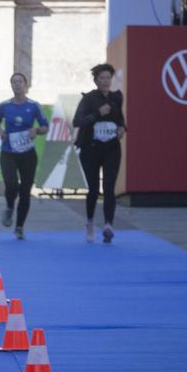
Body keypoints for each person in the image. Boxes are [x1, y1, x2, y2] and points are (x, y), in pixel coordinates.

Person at [73, 63, 126, 243]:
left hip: (111, 148)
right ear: (96, 80)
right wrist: (97, 114)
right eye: (102, 78)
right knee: (93, 189)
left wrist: (121, 129)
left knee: (109, 187)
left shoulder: (117, 97)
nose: (105, 81)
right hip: (91, 148)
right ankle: (89, 222)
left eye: (108, 78)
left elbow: (121, 120)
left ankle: (108, 225)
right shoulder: (88, 99)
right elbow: (77, 121)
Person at [0, 73, 49, 239]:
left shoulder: (34, 106)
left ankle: (19, 227)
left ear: (26, 85)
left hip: (27, 154)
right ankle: (10, 207)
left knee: (25, 190)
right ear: (11, 85)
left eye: (20, 82)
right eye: (14, 82)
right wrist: (1, 131)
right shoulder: (4, 106)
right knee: (11, 185)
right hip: (8, 152)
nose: (17, 85)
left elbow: (45, 126)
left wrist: (36, 130)